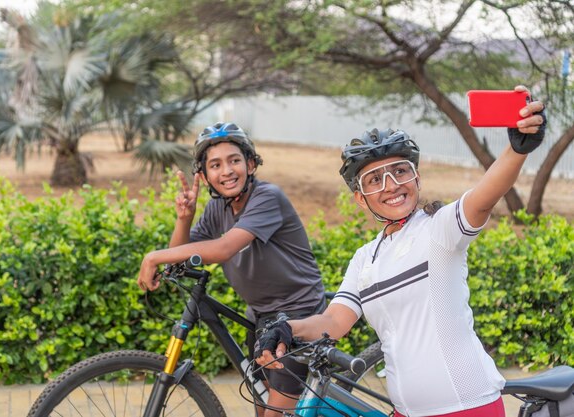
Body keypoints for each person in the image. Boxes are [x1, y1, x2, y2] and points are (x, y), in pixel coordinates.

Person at [254, 85, 547, 417]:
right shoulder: (365, 257)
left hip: (466, 406)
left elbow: (484, 195)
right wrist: (287, 328)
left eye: (400, 171)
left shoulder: (439, 229)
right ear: (360, 198)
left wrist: (517, 150)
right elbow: (333, 322)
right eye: (374, 179)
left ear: (416, 177)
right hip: (405, 412)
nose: (391, 185)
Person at [137, 122, 326, 417]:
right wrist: (184, 219)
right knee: (262, 407)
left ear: (250, 164)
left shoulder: (267, 197)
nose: (226, 171)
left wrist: (152, 257)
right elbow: (180, 259)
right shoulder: (217, 209)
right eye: (215, 165)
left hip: (300, 313)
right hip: (260, 317)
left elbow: (224, 248)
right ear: (204, 175)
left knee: (277, 412)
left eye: (234, 160)